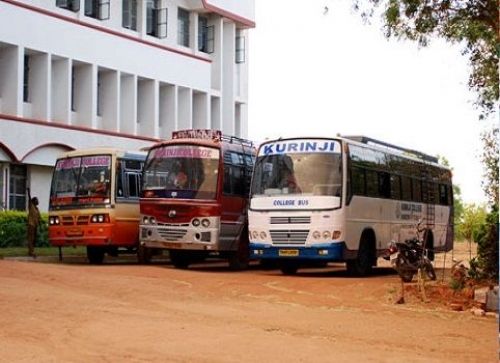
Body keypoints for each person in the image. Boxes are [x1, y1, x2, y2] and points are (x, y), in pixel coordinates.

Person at [26, 188, 41, 258]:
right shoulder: (31, 206)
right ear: (34, 201)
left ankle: (31, 251)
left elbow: (39, 218)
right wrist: (28, 192)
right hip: (31, 225)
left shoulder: (37, 209)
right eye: (37, 200)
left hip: (35, 226)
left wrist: (40, 226)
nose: (38, 201)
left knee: (34, 239)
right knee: (31, 238)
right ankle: (31, 252)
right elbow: (29, 199)